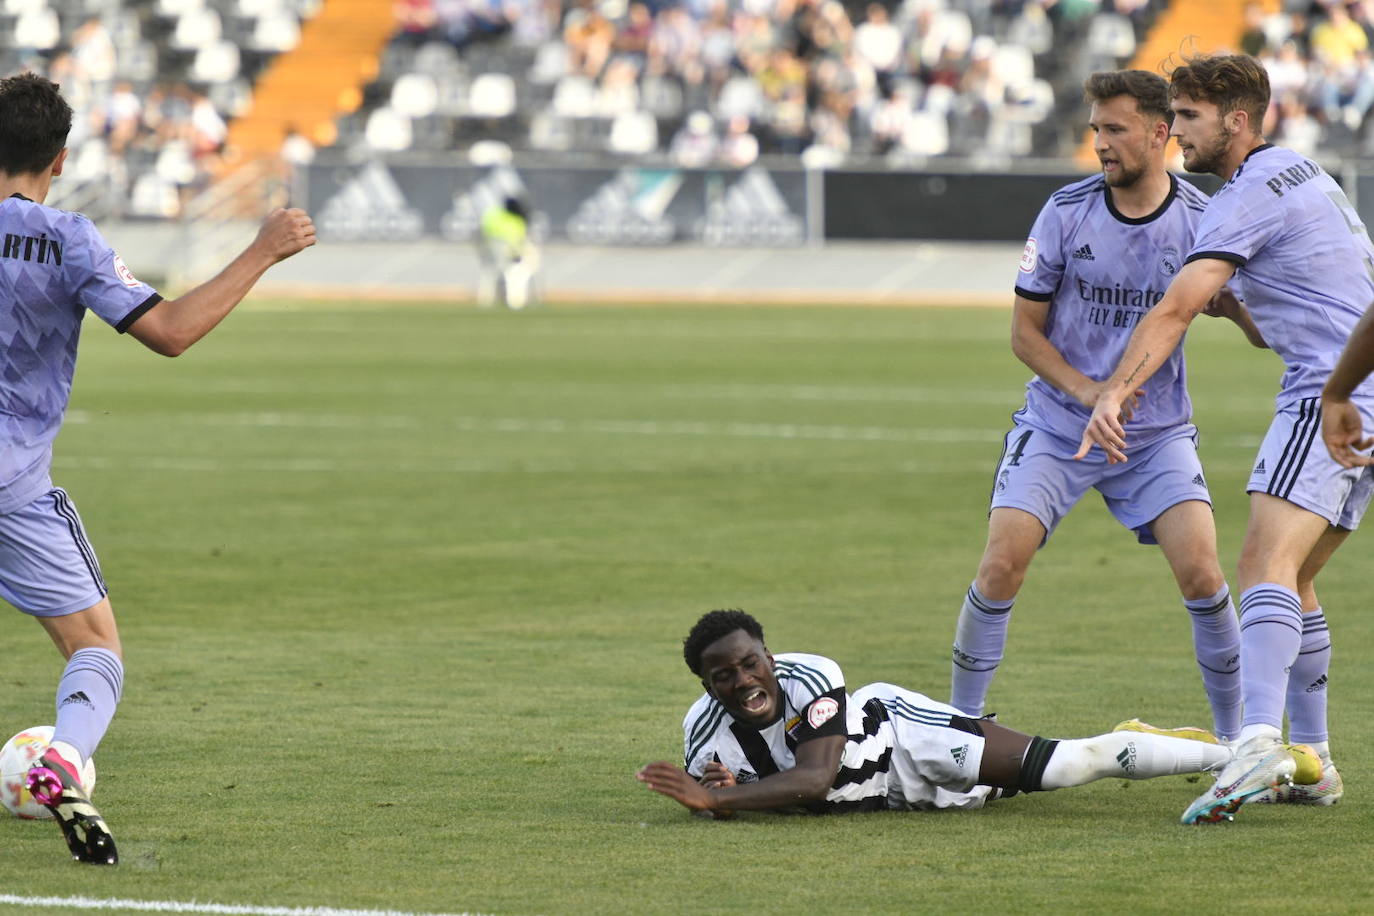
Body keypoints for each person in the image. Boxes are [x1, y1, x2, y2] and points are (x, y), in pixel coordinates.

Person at [0, 72, 316, 864]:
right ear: (61, 160)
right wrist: (263, 249)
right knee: (96, 648)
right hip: (11, 484)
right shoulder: (69, 239)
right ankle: (64, 762)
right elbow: (171, 331)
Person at [1076, 53, 1374, 823]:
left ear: (1235, 121)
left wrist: (1117, 391)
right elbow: (1256, 320)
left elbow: (1175, 309)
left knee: (1261, 563)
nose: (1174, 134)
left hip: (1332, 390)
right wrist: (1233, 304)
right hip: (1360, 384)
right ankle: (1315, 762)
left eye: (1187, 118)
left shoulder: (1244, 195)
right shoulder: (1300, 173)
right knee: (1296, 578)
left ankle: (1255, 741)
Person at [949, 70, 1261, 746]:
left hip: (1156, 436)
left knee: (1205, 575)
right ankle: (961, 730)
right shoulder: (1067, 212)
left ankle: (1239, 745)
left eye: (1115, 129)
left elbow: (1255, 323)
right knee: (1002, 562)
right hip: (1061, 425)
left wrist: (1241, 305)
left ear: (1160, 134)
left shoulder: (1204, 222)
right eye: (1095, 129)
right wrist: (1091, 394)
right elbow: (1023, 335)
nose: (1100, 143)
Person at [637, 610, 1236, 818]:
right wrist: (719, 796)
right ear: (704, 683)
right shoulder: (703, 733)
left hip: (901, 738)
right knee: (1001, 796)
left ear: (769, 656)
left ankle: (1242, 759)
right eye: (724, 676)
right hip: (897, 800)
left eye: (750, 664)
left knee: (1073, 765)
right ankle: (1135, 740)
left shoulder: (810, 675)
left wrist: (718, 800)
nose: (744, 682)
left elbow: (815, 778)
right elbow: (734, 793)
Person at [478, 195, 538, 310]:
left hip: (498, 249)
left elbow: (485, 231)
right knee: (506, 274)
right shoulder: (510, 218)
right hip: (503, 250)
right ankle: (511, 300)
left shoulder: (497, 215)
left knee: (496, 274)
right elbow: (516, 238)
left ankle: (490, 299)